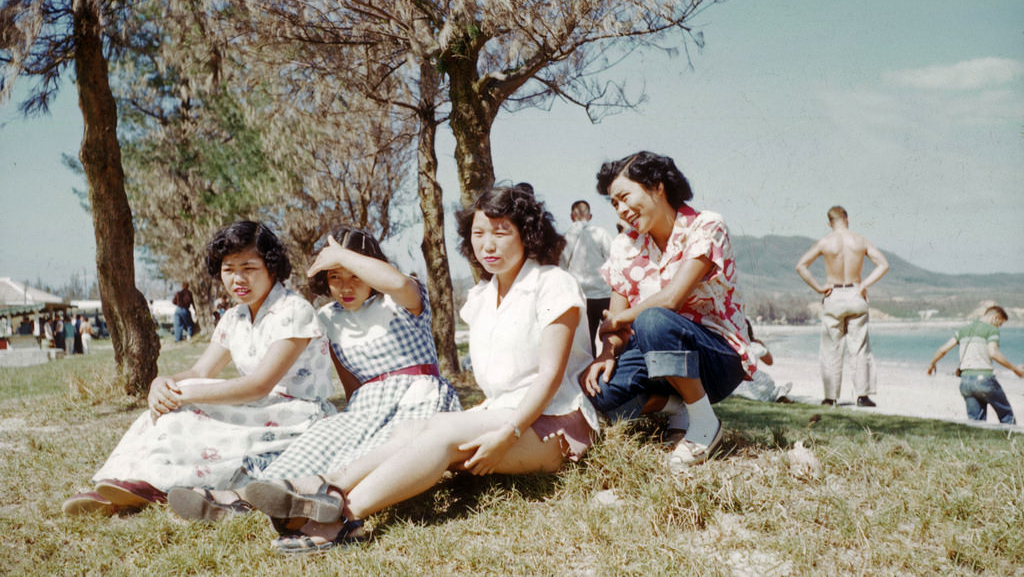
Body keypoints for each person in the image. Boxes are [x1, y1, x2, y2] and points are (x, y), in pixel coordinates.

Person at [225, 185, 599, 553]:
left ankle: (341, 518)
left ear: (527, 234)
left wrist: (508, 432)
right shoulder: (482, 297)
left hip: (554, 422)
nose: (488, 244)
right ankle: (326, 488)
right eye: (479, 233)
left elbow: (550, 379)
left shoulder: (552, 283)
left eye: (502, 232)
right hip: (500, 415)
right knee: (414, 428)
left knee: (441, 431)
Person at [169, 225, 461, 521]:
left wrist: (341, 256)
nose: (346, 287)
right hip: (367, 405)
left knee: (376, 448)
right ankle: (238, 500)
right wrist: (350, 424)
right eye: (335, 277)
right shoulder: (328, 318)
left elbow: (395, 281)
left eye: (355, 275)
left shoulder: (401, 300)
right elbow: (352, 386)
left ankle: (322, 493)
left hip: (418, 397)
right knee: (321, 441)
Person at [61, 221, 337, 515]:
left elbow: (260, 385)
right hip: (258, 408)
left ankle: (153, 484)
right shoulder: (234, 317)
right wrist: (162, 383)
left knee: (184, 412)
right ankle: (117, 484)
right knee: (159, 410)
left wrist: (187, 396)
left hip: (294, 415)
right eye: (229, 270)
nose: (238, 279)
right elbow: (200, 372)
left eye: (249, 268)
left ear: (271, 267)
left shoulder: (294, 310)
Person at [581, 151, 756, 471]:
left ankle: (705, 425)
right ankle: (680, 407)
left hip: (716, 357)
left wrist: (619, 320)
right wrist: (606, 353)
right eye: (614, 204)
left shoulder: (706, 226)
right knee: (600, 393)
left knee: (653, 319)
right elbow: (614, 322)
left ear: (657, 186)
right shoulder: (624, 246)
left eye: (624, 197)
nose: (620, 210)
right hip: (656, 354)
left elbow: (672, 298)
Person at [796, 205, 889, 407]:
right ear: (847, 218)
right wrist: (864, 284)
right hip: (856, 292)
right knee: (860, 347)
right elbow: (883, 264)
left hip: (834, 294)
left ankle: (830, 398)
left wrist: (819, 288)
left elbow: (801, 266)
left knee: (831, 349)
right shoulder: (860, 240)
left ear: (829, 223)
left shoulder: (825, 242)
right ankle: (862, 396)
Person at [927, 305, 1023, 424]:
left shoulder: (964, 330)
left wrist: (932, 364)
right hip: (984, 381)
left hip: (966, 382)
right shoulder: (991, 329)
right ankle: (1012, 442)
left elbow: (943, 350)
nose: (999, 327)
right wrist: (1015, 369)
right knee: (1007, 416)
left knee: (976, 424)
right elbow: (993, 352)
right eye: (1000, 324)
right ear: (996, 317)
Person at [560, 199, 614, 354]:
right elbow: (613, 259)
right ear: (590, 216)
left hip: (580, 296)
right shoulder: (600, 232)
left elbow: (562, 266)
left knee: (587, 341)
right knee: (611, 336)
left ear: (572, 216)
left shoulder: (565, 238)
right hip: (603, 293)